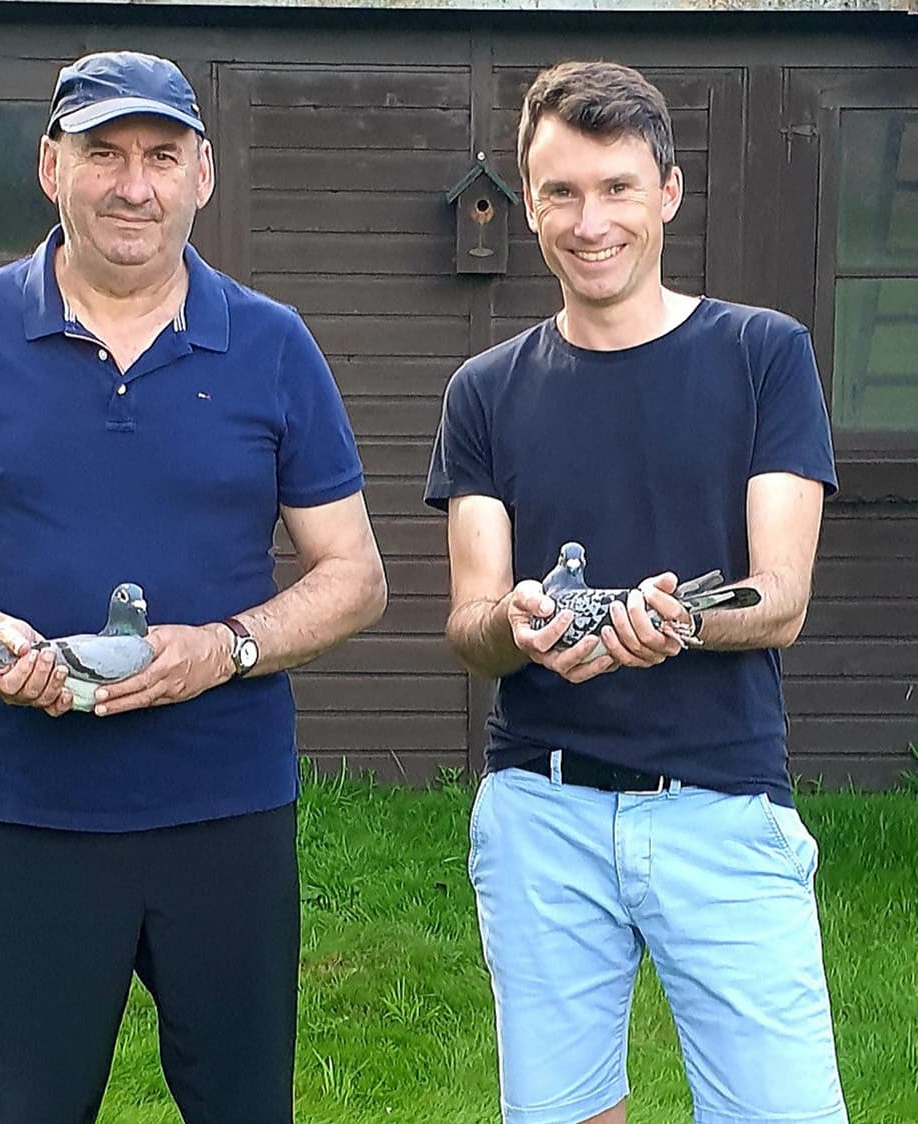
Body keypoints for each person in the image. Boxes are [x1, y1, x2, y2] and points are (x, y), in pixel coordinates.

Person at [0, 49, 386, 1124]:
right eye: (102, 153)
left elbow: (354, 574)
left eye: (160, 155)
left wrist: (225, 648)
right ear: (51, 166)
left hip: (224, 809)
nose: (132, 185)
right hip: (22, 811)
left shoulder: (272, 344)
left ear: (203, 174)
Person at [425, 60, 847, 1124]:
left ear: (667, 191)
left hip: (721, 806)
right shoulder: (482, 391)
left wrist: (682, 620)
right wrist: (516, 624)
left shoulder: (761, 355)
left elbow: (781, 594)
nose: (589, 221)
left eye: (615, 187)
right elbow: (471, 620)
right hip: (540, 812)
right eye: (560, 192)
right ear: (529, 205)